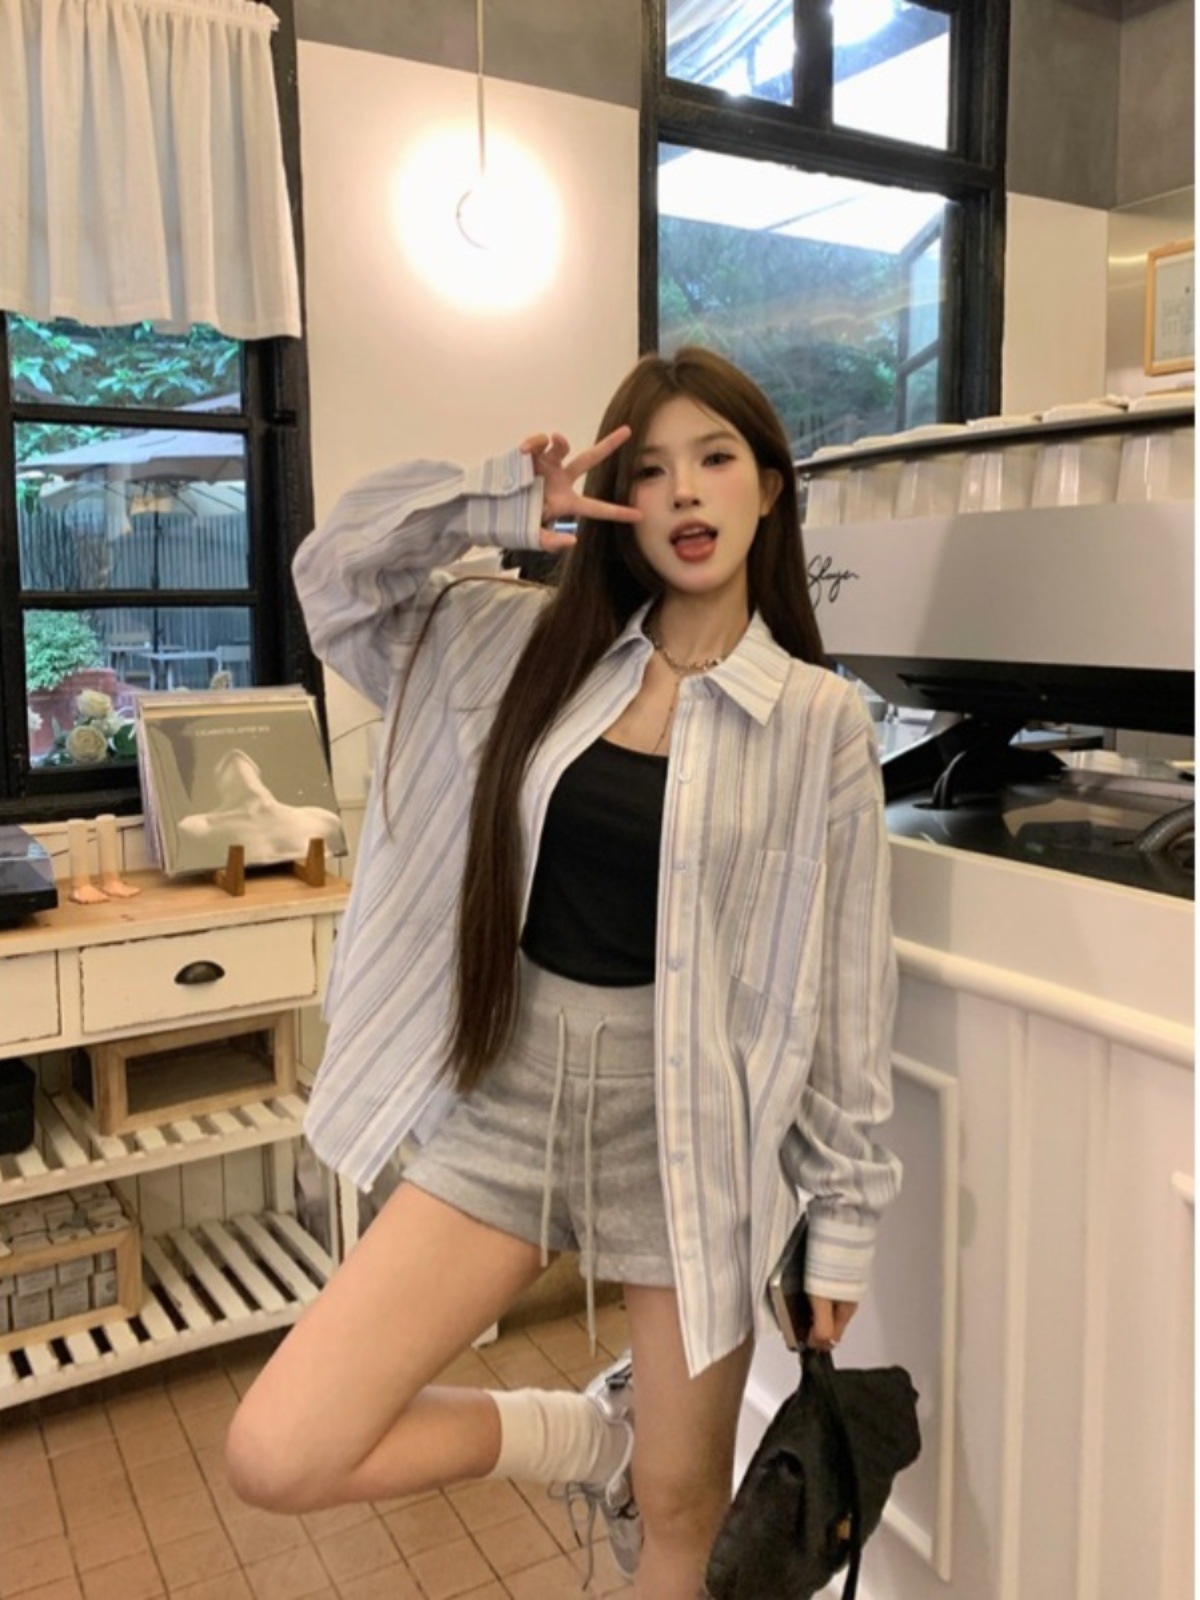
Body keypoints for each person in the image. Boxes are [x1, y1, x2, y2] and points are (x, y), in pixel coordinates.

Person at [225, 347, 901, 1599]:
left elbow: (848, 994)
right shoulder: (522, 647)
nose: (684, 492)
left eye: (715, 459)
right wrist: (495, 502)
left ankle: (639, 1462)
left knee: (683, 1515)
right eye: (650, 470)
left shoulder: (819, 721)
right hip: (510, 1103)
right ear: (616, 502)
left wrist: (843, 1232)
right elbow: (335, 580)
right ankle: (588, 1436)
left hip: (689, 1139)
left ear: (768, 487)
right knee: (279, 1446)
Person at [175, 746, 344, 864]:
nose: (234, 754)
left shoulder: (320, 817)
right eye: (225, 765)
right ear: (217, 785)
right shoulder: (200, 825)